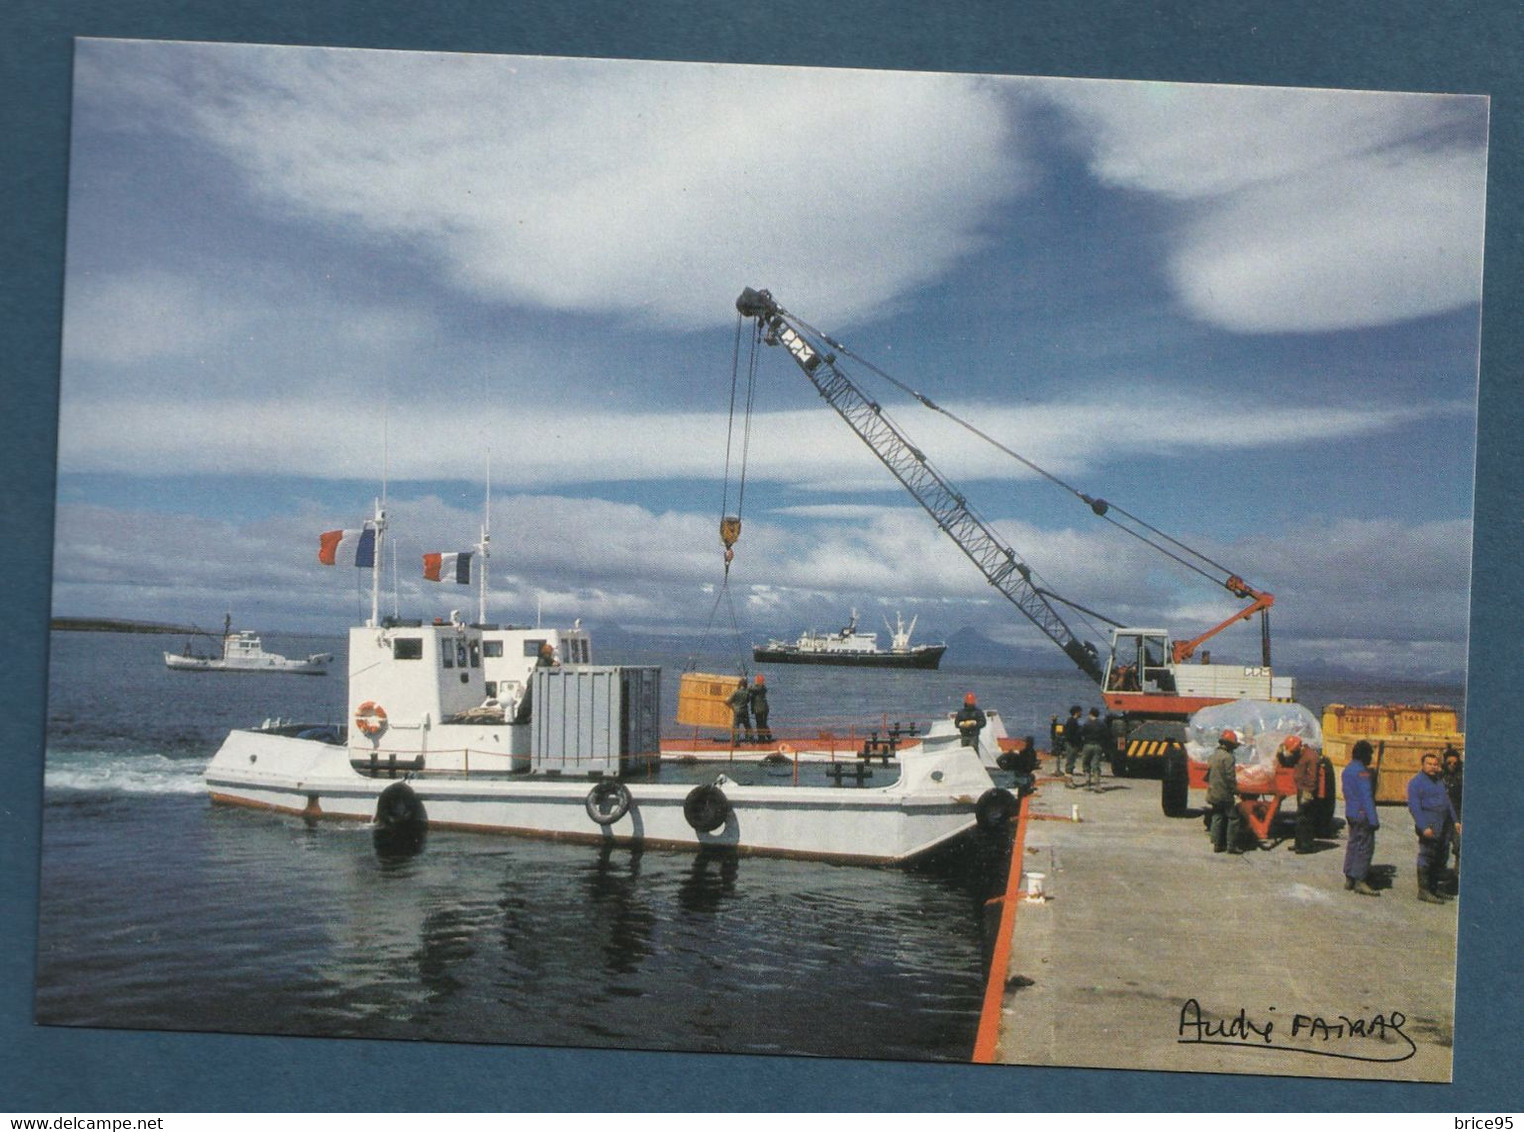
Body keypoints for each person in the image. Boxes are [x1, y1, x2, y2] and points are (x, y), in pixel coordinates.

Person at [1407, 752, 1460, 903]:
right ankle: (1424, 891)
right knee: (1427, 856)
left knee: (1440, 858)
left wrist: (1455, 820)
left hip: (1443, 825)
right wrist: (1424, 827)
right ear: (1422, 765)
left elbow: (1447, 802)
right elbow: (1414, 808)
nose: (1432, 767)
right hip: (1429, 826)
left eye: (1435, 764)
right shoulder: (1416, 783)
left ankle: (1434, 888)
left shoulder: (1439, 781)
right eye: (1429, 764)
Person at [1341, 740, 1380, 896]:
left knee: (1353, 844)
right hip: (1363, 814)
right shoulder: (1362, 773)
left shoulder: (1347, 770)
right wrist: (1373, 819)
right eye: (1370, 754)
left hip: (1351, 812)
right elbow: (1366, 797)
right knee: (1365, 847)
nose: (1371, 757)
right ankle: (1360, 879)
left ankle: (1349, 876)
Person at [1279, 735, 1321, 853]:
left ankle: (1306, 846)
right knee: (1300, 818)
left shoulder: (1311, 756)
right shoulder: (1300, 755)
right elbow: (1289, 762)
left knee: (1305, 819)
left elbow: (1313, 777)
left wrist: (1308, 793)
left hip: (1307, 791)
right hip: (1301, 788)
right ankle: (1298, 844)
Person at [1206, 728, 1244, 854]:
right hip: (1224, 794)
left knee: (1217, 816)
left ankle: (1217, 844)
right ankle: (1231, 846)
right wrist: (1236, 791)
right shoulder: (1228, 758)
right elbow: (1230, 777)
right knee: (1234, 818)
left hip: (1213, 793)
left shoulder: (1213, 755)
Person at [1442, 746, 1463, 876]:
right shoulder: (1439, 776)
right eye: (1449, 763)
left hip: (1457, 814)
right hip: (1443, 815)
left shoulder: (1461, 777)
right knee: (1440, 846)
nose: (1452, 765)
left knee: (1458, 845)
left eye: (1455, 763)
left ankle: (1457, 873)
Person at [1079, 707, 1109, 789]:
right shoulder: (1102, 724)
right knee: (1096, 765)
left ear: (1090, 714)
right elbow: (1106, 736)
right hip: (1098, 746)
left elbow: (1081, 733)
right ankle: (1097, 785)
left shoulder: (1086, 723)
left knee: (1086, 764)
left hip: (1087, 745)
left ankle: (1087, 784)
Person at [748, 673, 771, 742]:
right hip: (764, 708)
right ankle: (768, 735)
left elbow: (751, 689)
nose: (755, 681)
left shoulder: (759, 688)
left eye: (756, 680)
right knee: (763, 723)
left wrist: (747, 684)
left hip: (759, 709)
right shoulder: (763, 688)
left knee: (759, 724)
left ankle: (761, 739)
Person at [1062, 705, 1083, 779]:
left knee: (1071, 761)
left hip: (1071, 744)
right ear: (1077, 712)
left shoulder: (1071, 721)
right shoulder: (1072, 721)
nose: (1081, 713)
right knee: (1070, 761)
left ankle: (1069, 777)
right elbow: (1070, 734)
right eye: (1080, 712)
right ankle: (1068, 779)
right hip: (1072, 744)